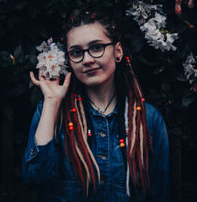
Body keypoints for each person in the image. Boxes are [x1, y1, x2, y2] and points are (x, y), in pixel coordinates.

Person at [22, 10, 170, 202]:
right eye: (77, 52)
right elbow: (35, 178)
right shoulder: (53, 112)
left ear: (117, 51)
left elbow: (161, 192)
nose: (88, 59)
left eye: (97, 47)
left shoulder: (148, 119)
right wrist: (51, 102)